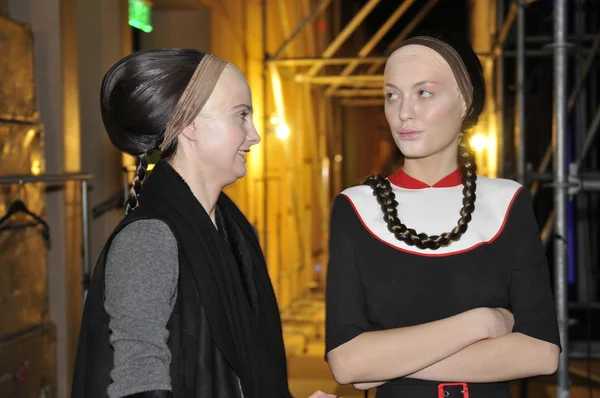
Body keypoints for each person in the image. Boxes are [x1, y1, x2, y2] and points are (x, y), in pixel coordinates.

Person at [71, 49, 336, 398]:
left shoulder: (234, 230)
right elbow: (140, 388)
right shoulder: (149, 240)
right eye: (241, 115)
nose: (254, 135)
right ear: (190, 124)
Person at [324, 33, 561, 398]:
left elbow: (542, 354)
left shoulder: (508, 201)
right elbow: (345, 362)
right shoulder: (355, 208)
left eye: (424, 92)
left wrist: (384, 363)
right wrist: (481, 322)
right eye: (392, 95)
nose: (404, 112)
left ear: (465, 102)